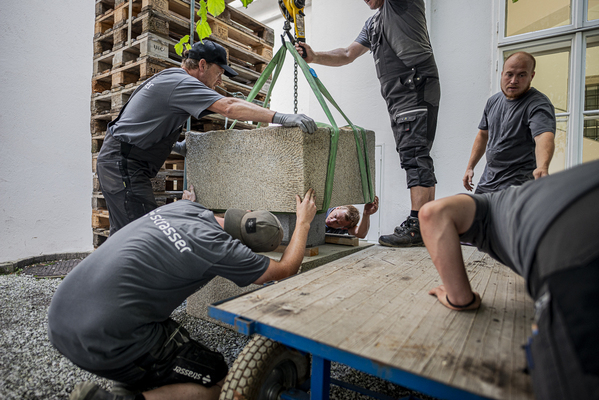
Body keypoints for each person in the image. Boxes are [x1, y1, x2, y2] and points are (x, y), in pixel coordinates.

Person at [48, 186, 318, 400]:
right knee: (219, 381)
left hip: (60, 316)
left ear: (245, 211)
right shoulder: (224, 250)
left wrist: (190, 198)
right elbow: (285, 269)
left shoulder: (183, 206)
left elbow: (190, 213)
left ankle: (129, 382)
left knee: (159, 333)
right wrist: (304, 222)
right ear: (246, 250)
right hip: (101, 338)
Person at [419, 159, 599, 399]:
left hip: (568, 243)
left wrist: (460, 299)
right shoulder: (528, 195)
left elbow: (432, 212)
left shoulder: (489, 204)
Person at [97, 40, 317, 235]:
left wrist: (174, 146)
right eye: (219, 73)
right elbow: (229, 107)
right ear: (202, 65)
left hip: (120, 161)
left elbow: (144, 123)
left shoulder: (169, 78)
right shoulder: (182, 82)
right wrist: (281, 117)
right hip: (124, 165)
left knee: (124, 232)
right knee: (143, 235)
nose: (220, 81)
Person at [296, 0, 440, 247]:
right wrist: (315, 56)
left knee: (414, 155)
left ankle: (418, 225)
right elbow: (347, 54)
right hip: (398, 96)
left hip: (413, 87)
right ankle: (427, 222)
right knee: (414, 155)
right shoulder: (372, 24)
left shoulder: (402, 5)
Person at [463, 52, 556, 194]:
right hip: (488, 182)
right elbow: (483, 135)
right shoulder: (493, 101)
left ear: (531, 76)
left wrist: (542, 167)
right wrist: (470, 167)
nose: (513, 80)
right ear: (502, 74)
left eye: (521, 75)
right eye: (509, 74)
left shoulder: (537, 104)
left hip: (517, 184)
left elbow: (543, 136)